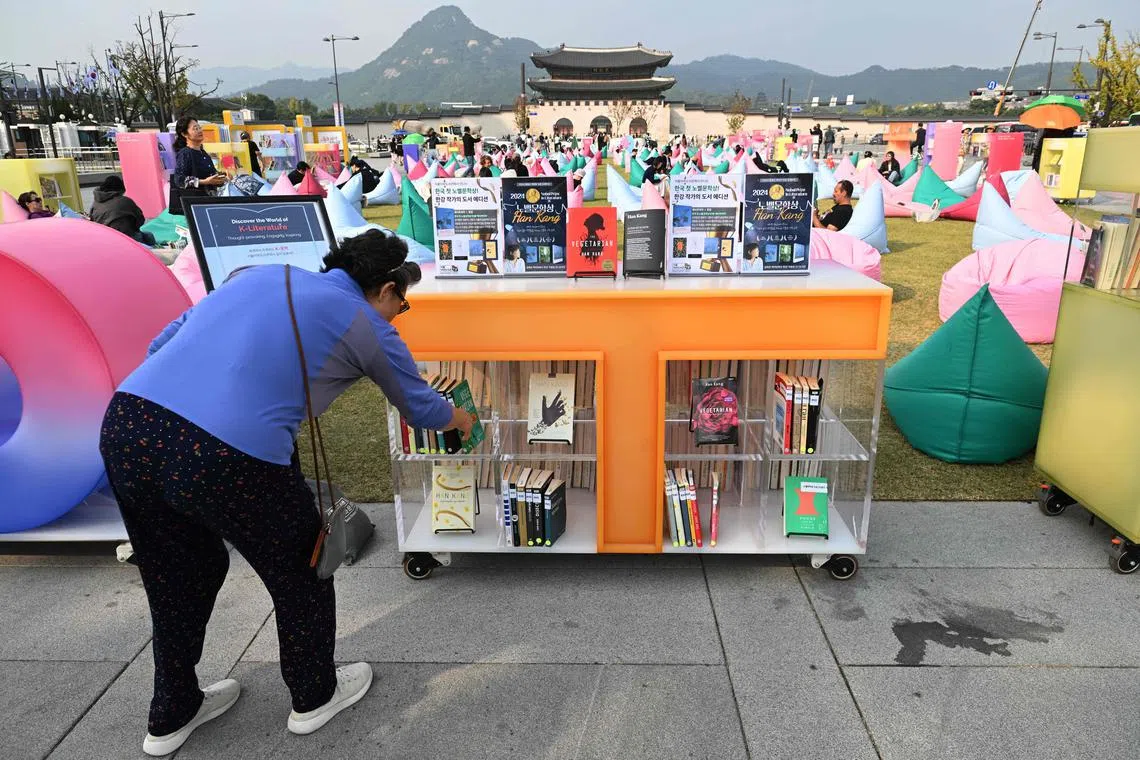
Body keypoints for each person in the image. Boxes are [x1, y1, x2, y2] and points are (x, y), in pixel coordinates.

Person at [99, 229, 476, 756]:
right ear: (387, 288)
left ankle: (171, 711)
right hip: (229, 453)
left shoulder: (254, 276)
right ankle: (314, 696)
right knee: (301, 570)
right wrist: (463, 415)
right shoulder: (367, 324)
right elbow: (424, 410)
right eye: (402, 303)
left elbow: (160, 346)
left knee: (176, 574)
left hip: (129, 423)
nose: (398, 312)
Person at [169, 116, 225, 216]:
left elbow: (210, 176)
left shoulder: (203, 153)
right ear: (184, 134)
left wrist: (219, 178)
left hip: (208, 203)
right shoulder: (185, 153)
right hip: (195, 207)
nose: (199, 130)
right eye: (195, 128)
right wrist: (204, 182)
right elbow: (179, 180)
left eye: (199, 127)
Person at [90, 175, 156, 245]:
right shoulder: (125, 201)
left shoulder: (95, 203)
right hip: (126, 237)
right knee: (149, 236)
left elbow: (92, 221)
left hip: (105, 238)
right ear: (120, 189)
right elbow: (140, 219)